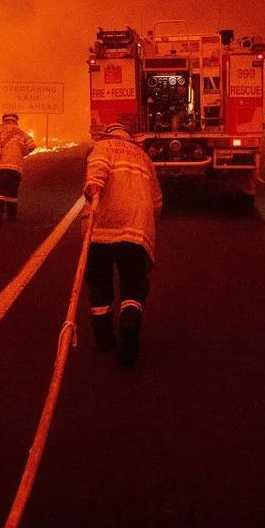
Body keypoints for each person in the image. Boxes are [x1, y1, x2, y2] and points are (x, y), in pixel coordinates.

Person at [82, 124, 162, 366]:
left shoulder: (102, 146)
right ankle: (129, 319)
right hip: (136, 226)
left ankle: (104, 338)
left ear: (109, 135)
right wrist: (146, 224)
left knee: (98, 281)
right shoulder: (144, 157)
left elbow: (98, 169)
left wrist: (93, 185)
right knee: (133, 282)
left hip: (102, 226)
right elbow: (157, 201)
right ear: (129, 139)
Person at [0, 112, 37, 225]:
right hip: (15, 167)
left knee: (0, 189)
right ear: (16, 121)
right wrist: (22, 153)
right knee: (12, 190)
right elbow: (32, 145)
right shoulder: (22, 133)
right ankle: (12, 215)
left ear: (4, 120)